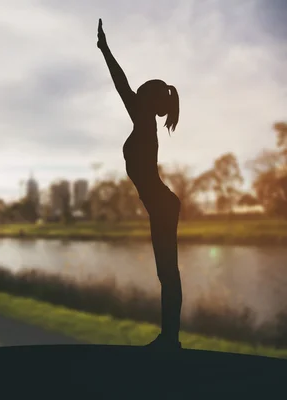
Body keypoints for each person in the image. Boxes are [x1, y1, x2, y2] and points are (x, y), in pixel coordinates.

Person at [97, 19, 183, 349]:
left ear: (146, 100)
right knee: (166, 273)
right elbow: (126, 87)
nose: (133, 96)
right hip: (160, 205)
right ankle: (169, 338)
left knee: (168, 273)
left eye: (139, 94)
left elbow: (122, 85)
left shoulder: (144, 124)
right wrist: (105, 49)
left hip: (162, 205)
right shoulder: (145, 125)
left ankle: (170, 339)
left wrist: (105, 49)